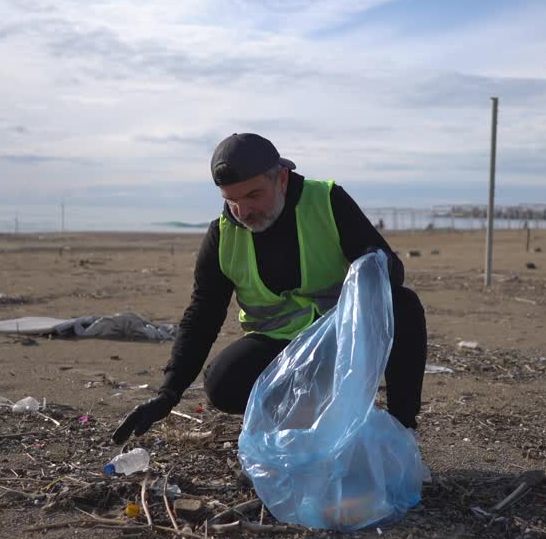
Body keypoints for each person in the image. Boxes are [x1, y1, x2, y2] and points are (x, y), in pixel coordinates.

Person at [113, 133, 427, 444]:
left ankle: (402, 433)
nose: (244, 212)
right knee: (222, 384)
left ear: (282, 179)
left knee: (403, 304)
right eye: (231, 201)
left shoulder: (327, 201)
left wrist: (371, 268)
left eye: (253, 196)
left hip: (343, 339)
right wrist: (168, 394)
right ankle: (308, 418)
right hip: (280, 347)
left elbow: (390, 271)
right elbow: (202, 316)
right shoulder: (222, 237)